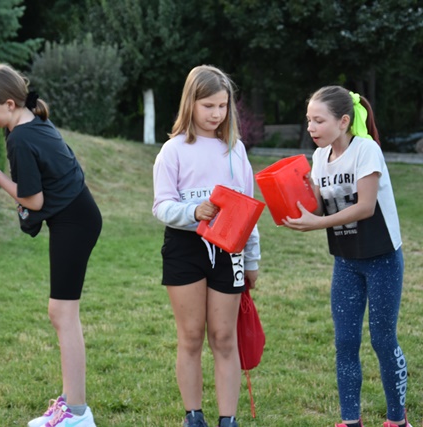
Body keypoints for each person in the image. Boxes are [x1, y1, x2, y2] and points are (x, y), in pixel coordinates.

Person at [0, 63, 102, 427]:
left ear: (9, 104)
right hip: (78, 215)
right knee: (62, 314)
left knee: (62, 314)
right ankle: (72, 406)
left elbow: (34, 200)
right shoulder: (28, 115)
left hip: (74, 222)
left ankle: (77, 415)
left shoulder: (20, 140)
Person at [283, 86, 410, 427]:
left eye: (318, 120)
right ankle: (350, 421)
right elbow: (318, 206)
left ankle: (397, 420)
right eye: (308, 120)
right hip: (346, 261)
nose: (310, 127)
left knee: (383, 340)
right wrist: (293, 199)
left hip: (382, 259)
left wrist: (316, 223)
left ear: (342, 121)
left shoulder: (366, 150)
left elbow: (365, 207)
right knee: (346, 342)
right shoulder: (319, 157)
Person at [152, 65, 260, 427]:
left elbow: (248, 209)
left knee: (224, 337)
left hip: (230, 250)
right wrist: (193, 211)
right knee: (192, 335)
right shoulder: (173, 150)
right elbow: (161, 206)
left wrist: (252, 259)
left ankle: (228, 419)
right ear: (191, 103)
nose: (216, 114)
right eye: (208, 106)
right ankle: (193, 416)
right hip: (184, 249)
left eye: (222, 106)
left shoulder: (235, 150)